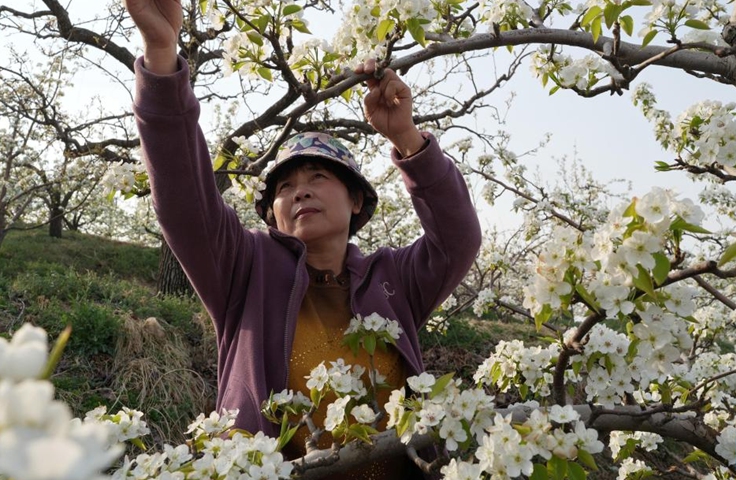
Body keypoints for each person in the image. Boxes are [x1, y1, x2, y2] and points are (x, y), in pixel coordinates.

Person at [124, 0, 481, 475]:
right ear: (271, 212)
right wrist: (162, 60)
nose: (300, 192)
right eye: (285, 187)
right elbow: (184, 200)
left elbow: (458, 239)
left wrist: (407, 137)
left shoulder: (392, 279)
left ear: (356, 200)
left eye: (318, 177)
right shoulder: (244, 268)